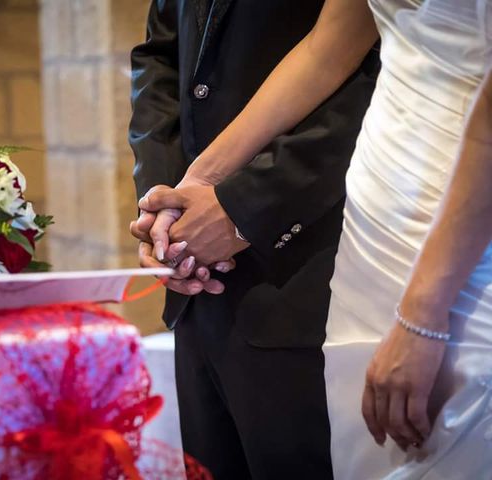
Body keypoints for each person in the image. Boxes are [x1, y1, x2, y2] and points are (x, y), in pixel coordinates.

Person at [140, 0, 492, 477]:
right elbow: (323, 50)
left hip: (445, 193)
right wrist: (193, 189)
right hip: (373, 215)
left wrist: (424, 316)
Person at [129, 0, 378, 478]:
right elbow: (159, 56)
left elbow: (370, 75)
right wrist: (165, 207)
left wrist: (241, 209)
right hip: (196, 291)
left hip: (304, 267)